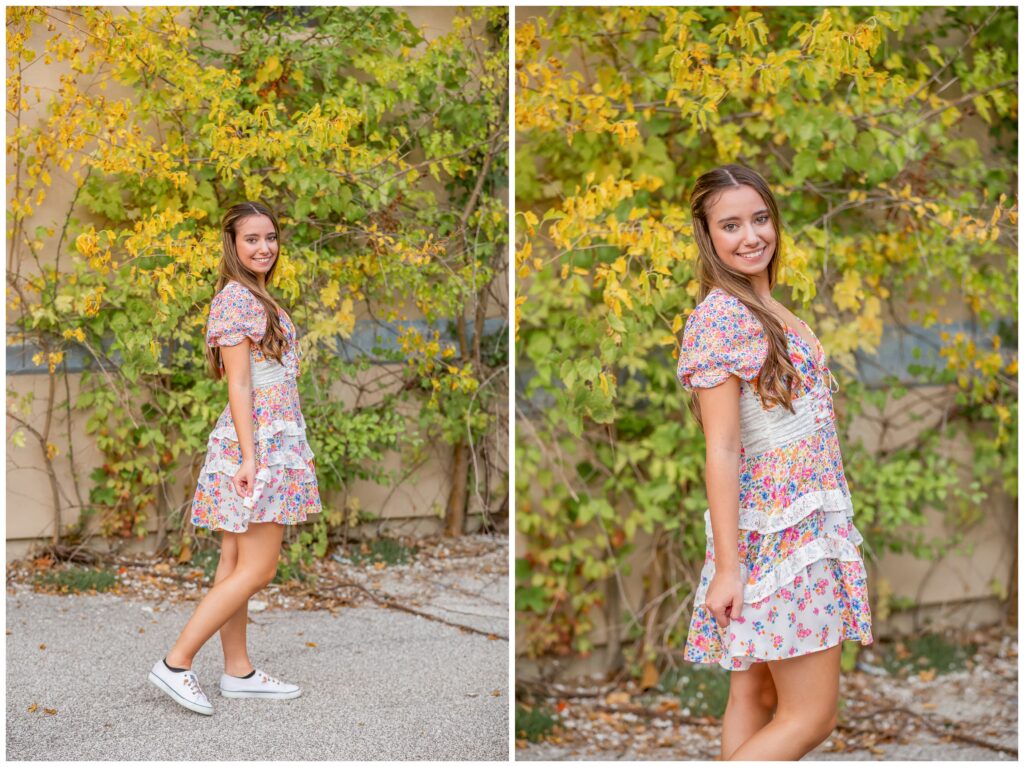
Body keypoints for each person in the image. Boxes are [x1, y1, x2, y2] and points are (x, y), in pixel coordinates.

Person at [676, 165, 872, 759]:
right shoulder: (720, 318)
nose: (751, 236)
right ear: (707, 236)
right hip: (779, 536)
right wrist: (729, 568)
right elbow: (723, 447)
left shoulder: (770, 307)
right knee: (811, 717)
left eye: (760, 218)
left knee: (755, 698)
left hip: (794, 521)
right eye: (730, 225)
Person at [148, 201, 322, 715]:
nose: (264, 247)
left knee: (233, 562)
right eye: (252, 239)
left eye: (270, 238)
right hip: (258, 442)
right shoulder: (235, 301)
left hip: (267, 437)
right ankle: (176, 663)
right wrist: (252, 458)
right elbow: (239, 384)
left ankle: (238, 670)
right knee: (260, 569)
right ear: (232, 244)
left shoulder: (256, 297)